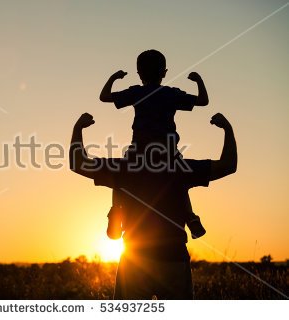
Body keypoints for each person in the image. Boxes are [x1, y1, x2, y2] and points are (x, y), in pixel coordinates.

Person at [70, 112, 237, 299]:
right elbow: (228, 165)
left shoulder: (124, 168)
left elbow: (78, 163)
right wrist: (227, 129)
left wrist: (78, 128)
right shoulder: (180, 168)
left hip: (134, 260)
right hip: (174, 258)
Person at [100, 49, 209, 239]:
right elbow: (203, 101)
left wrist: (114, 78)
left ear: (139, 73)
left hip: (139, 151)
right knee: (180, 181)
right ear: (165, 72)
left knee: (118, 177)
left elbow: (104, 97)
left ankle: (116, 211)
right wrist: (198, 80)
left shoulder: (137, 92)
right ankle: (190, 216)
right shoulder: (171, 94)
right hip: (167, 152)